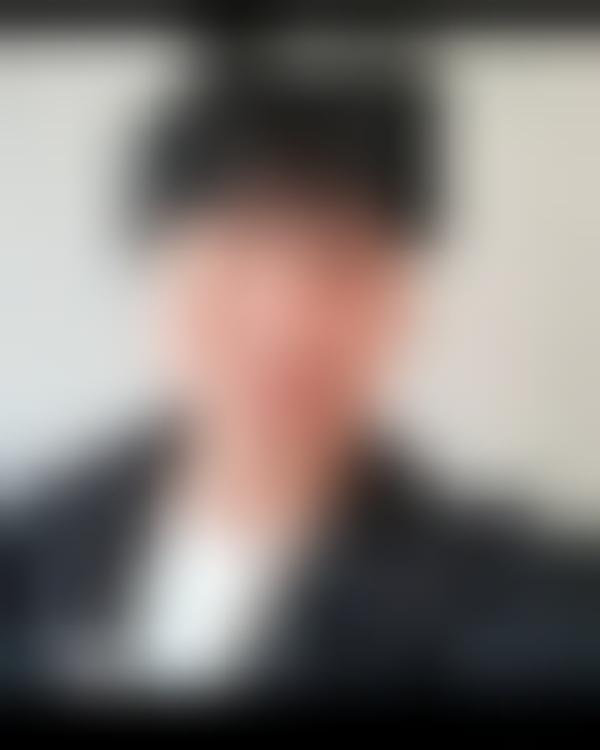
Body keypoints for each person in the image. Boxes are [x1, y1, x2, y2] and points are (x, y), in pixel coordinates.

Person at [6, 69, 600, 707]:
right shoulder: (30, 552)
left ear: (403, 304)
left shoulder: (533, 603)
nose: (287, 322)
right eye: (235, 252)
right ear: (151, 281)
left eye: (341, 263)